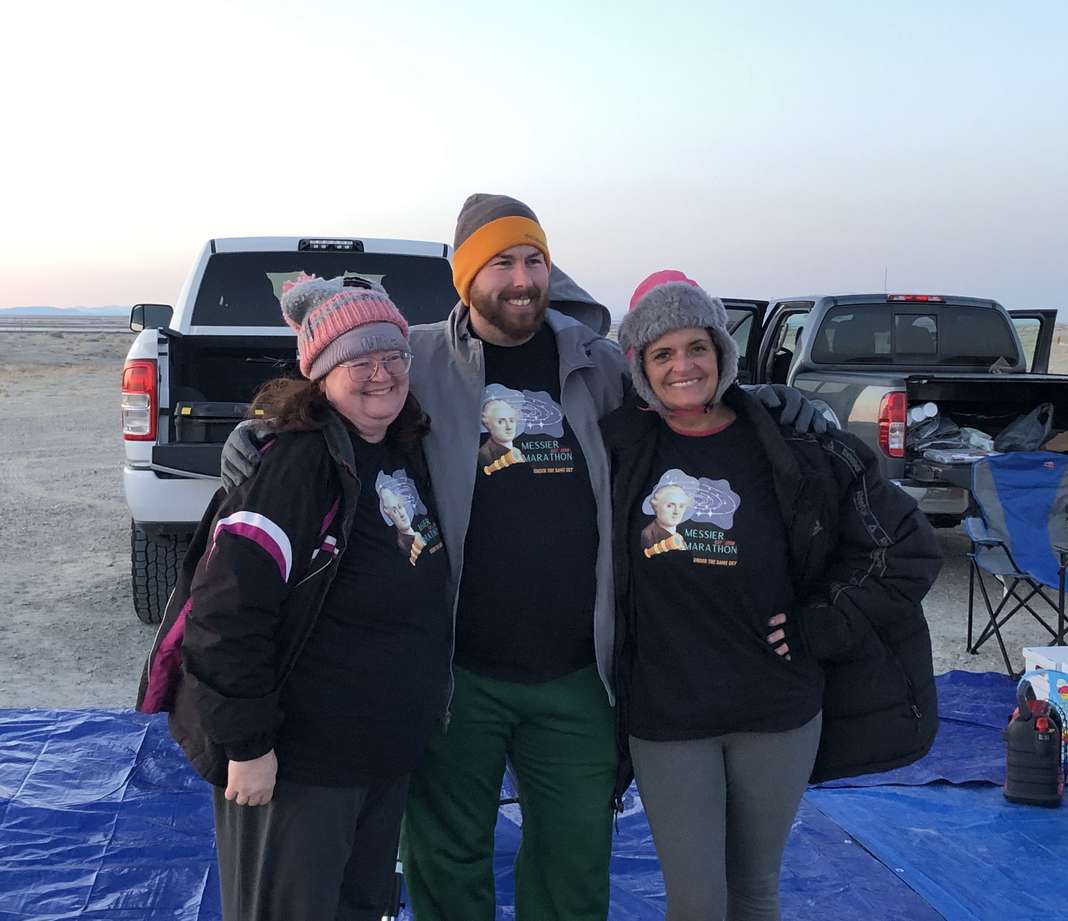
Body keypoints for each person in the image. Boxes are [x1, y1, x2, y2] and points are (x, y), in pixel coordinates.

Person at [220, 197, 829, 921]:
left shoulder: (599, 363)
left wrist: (774, 404)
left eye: (533, 259)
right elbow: (348, 382)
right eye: (500, 262)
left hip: (576, 674)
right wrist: (264, 431)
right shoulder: (416, 359)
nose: (520, 278)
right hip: (456, 672)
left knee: (573, 865)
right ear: (465, 274)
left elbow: (687, 390)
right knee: (446, 858)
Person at [602, 270, 943, 921]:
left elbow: (905, 546)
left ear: (721, 351)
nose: (684, 366)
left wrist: (822, 626)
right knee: (698, 901)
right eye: (663, 353)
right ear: (641, 367)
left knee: (755, 890)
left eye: (696, 346)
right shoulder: (618, 448)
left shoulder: (794, 442)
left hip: (777, 711)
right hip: (668, 715)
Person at [164, 275, 452, 921]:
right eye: (358, 360)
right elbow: (224, 615)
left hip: (379, 754)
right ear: (321, 372)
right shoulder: (296, 465)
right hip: (300, 761)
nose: (380, 374)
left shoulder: (402, 451)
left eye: (391, 356)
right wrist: (247, 744)